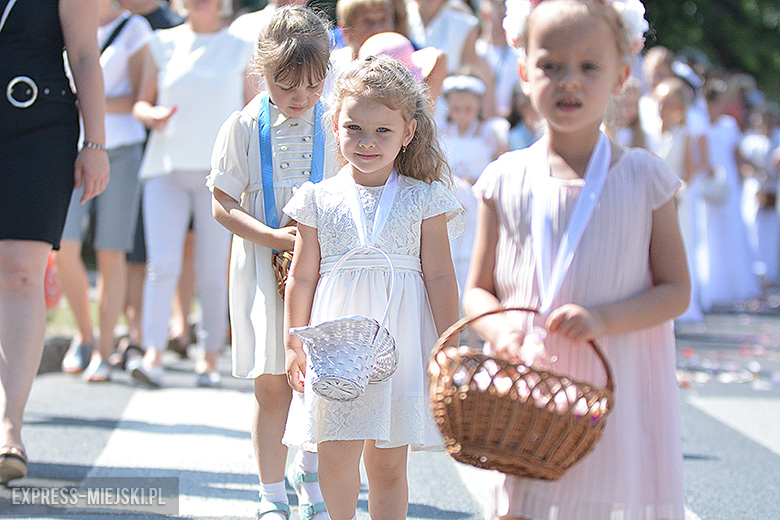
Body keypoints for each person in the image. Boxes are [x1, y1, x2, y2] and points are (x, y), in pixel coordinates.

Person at [462, 1, 690, 518]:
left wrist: (603, 319)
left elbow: (676, 289)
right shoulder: (504, 178)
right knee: (519, 508)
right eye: (551, 65)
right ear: (523, 71)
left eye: (590, 66)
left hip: (610, 391)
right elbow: (478, 288)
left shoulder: (644, 180)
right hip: (527, 386)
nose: (569, 81)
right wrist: (503, 333)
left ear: (621, 75)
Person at [282, 55, 462, 520]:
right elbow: (302, 276)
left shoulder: (424, 199)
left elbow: (441, 276)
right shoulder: (317, 198)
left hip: (399, 340)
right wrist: (292, 342)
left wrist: (450, 342)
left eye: (383, 130)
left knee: (386, 460)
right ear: (336, 126)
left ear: (408, 133)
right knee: (336, 451)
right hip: (334, 342)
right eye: (354, 128)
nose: (367, 141)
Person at [208, 6, 336, 520]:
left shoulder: (334, 122)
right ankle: (269, 493)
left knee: (320, 380)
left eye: (311, 85)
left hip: (325, 269)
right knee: (271, 381)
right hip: (263, 267)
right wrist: (271, 237)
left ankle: (311, 480)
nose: (300, 98)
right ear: (262, 72)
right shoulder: (242, 125)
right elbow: (223, 202)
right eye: (286, 87)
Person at [0, 0, 109, 484]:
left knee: (21, 269)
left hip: (37, 124)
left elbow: (85, 52)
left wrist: (96, 143)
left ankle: (10, 428)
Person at [129, 0, 255, 387]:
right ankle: (152, 355)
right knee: (161, 265)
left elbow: (252, 109)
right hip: (165, 167)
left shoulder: (241, 46)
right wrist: (149, 115)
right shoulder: (162, 42)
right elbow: (141, 101)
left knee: (212, 271)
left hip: (219, 175)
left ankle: (210, 358)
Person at [57, 0, 152, 382]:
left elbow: (140, 99)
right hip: (63, 146)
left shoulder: (134, 30)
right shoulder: (58, 18)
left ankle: (105, 348)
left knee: (111, 252)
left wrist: (84, 101)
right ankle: (84, 333)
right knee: (62, 248)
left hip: (121, 151)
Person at [439, 74, 507, 298]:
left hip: (477, 202)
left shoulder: (490, 134)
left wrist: (474, 182)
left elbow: (498, 166)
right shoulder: (442, 133)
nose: (461, 114)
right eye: (456, 108)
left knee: (472, 252)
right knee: (448, 251)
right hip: (450, 203)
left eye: (468, 109)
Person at [698, 78, 761, 309]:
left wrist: (750, 170)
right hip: (707, 184)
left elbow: (737, 155)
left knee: (731, 232)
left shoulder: (729, 125)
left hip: (729, 185)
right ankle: (712, 287)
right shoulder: (701, 124)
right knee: (709, 233)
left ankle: (733, 285)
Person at [653, 76, 710, 322]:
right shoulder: (655, 134)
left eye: (666, 103)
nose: (660, 108)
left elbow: (688, 170)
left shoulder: (683, 134)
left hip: (677, 199)